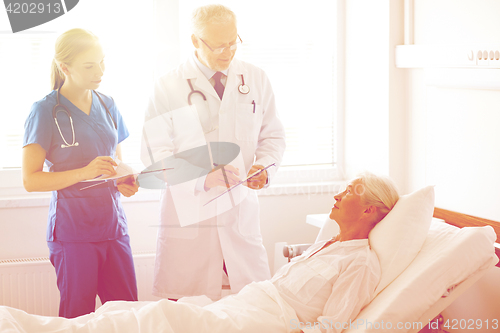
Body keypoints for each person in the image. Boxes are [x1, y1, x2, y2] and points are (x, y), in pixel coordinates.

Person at [0, 172, 399, 333]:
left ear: (370, 210)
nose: (337, 193)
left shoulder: (360, 262)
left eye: (350, 192)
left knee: (156, 317)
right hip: (247, 305)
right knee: (122, 312)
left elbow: (332, 326)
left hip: (263, 322)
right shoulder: (326, 244)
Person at [141, 4, 286, 300]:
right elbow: (154, 154)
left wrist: (264, 168)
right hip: (190, 219)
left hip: (239, 214)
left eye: (233, 42)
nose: (228, 51)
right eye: (218, 45)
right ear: (195, 41)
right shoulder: (168, 86)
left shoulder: (255, 79)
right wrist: (202, 178)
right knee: (187, 313)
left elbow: (272, 136)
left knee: (252, 308)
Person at [21, 28, 139, 318]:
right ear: (65, 67)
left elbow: (115, 163)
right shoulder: (44, 111)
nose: (99, 71)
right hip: (74, 232)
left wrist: (125, 180)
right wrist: (83, 172)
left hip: (113, 227)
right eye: (89, 65)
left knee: (127, 314)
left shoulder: (108, 104)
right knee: (78, 317)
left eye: (101, 62)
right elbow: (30, 179)